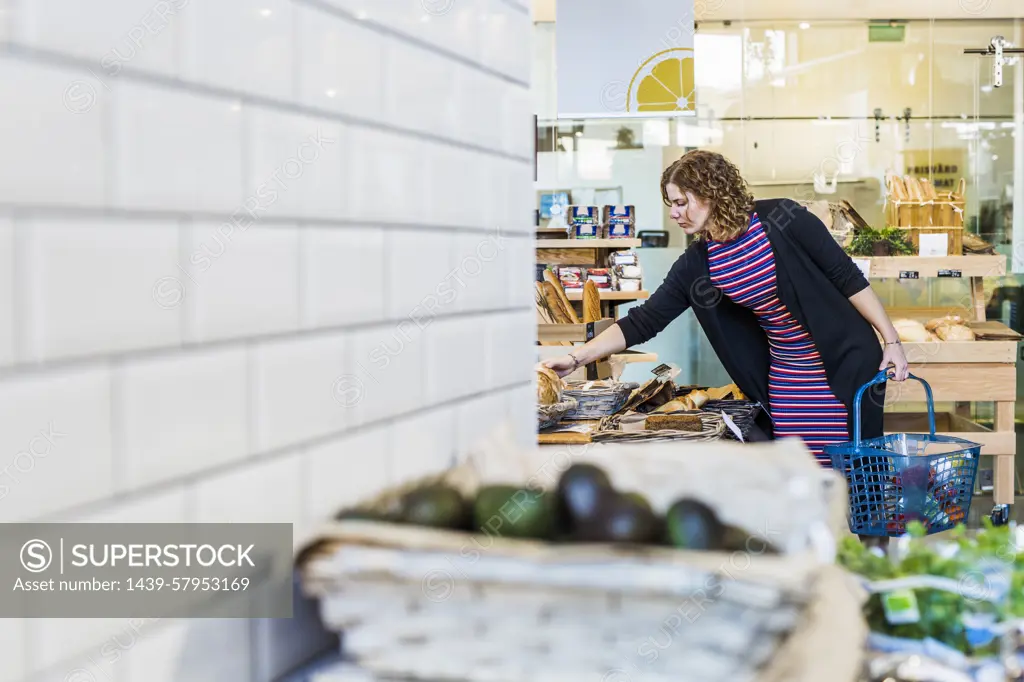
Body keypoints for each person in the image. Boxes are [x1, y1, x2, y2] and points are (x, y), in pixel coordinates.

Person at [543, 150, 909, 465]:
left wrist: (891, 340)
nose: (675, 214)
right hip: (786, 377)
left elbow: (847, 278)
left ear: (713, 193)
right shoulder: (698, 263)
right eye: (671, 205)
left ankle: (868, 546)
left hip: (844, 364)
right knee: (802, 475)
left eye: (682, 202)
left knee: (859, 475)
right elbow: (645, 320)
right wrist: (577, 358)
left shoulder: (784, 220)